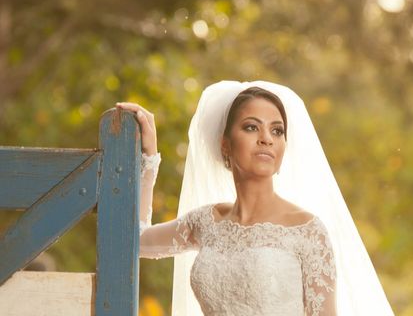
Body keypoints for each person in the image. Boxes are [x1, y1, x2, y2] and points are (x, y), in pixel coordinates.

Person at [117, 80, 393, 316]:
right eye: (251, 127)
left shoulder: (307, 231)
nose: (266, 139)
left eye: (277, 130)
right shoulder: (205, 222)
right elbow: (133, 241)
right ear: (225, 144)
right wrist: (148, 160)